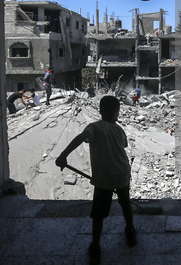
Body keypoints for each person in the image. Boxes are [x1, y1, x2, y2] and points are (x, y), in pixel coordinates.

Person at [55, 96, 136, 264]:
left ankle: (96, 246)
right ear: (116, 113)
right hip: (122, 172)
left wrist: (63, 155)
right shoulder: (119, 130)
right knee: (125, 203)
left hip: (104, 177)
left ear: (100, 111)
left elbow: (80, 137)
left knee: (99, 214)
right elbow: (121, 149)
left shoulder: (94, 127)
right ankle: (130, 233)